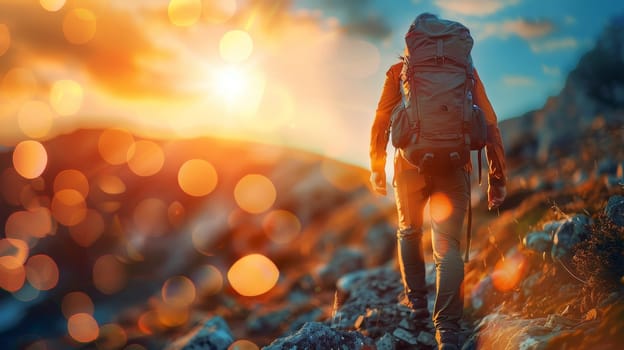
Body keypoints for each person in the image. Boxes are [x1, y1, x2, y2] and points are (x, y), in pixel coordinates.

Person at [368, 13, 507, 350]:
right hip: (455, 166)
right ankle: (448, 330)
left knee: (409, 231)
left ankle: (416, 306)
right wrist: (496, 176)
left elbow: (382, 118)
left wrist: (377, 165)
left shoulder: (400, 71)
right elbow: (489, 120)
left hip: (410, 166)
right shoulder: (465, 71)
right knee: (449, 249)